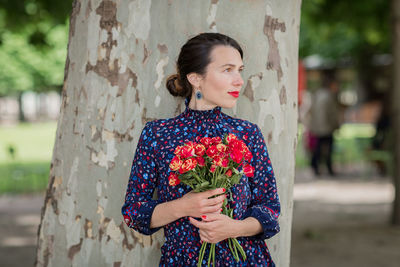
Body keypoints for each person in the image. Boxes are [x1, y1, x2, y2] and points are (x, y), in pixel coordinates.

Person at [121, 33, 280, 266]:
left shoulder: (247, 133)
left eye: (240, 70)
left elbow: (270, 210)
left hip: (246, 260)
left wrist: (234, 228)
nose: (239, 80)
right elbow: (133, 213)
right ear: (196, 78)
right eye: (228, 70)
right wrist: (182, 206)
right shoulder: (157, 134)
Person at [309, 70, 340, 176]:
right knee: (328, 148)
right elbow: (332, 114)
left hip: (317, 127)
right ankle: (327, 167)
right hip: (326, 127)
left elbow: (311, 111)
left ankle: (315, 165)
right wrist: (336, 125)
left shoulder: (316, 95)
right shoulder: (329, 96)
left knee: (318, 148)